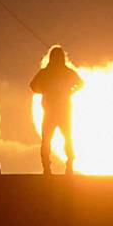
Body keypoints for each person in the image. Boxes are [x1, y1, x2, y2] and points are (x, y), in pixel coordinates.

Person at [30, 46, 83, 175]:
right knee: (50, 139)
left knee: (64, 138)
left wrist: (71, 91)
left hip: (62, 111)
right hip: (52, 111)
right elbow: (33, 85)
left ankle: (68, 164)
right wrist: (43, 90)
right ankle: (48, 167)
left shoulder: (64, 72)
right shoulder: (47, 72)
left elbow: (81, 84)